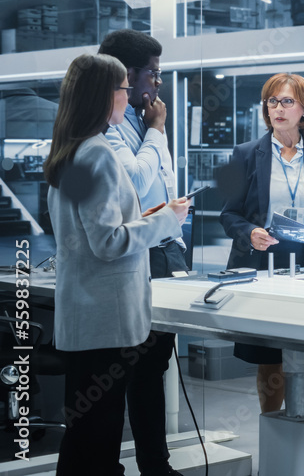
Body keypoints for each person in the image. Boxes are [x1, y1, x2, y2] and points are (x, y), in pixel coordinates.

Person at [44, 53, 190, 476]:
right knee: (98, 438)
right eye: (124, 88)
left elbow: (93, 233)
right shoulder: (98, 154)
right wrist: (165, 221)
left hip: (86, 318)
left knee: (85, 436)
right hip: (106, 319)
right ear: (105, 95)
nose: (130, 96)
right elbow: (108, 242)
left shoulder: (70, 150)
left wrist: (147, 219)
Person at [219, 73, 304, 413]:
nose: (277, 108)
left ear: (303, 110)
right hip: (264, 267)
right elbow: (229, 214)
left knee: (303, 351)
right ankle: (272, 425)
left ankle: (302, 427)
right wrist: (249, 232)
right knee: (269, 356)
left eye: (286, 101)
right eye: (272, 102)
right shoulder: (246, 154)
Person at [99, 28, 186, 476]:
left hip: (166, 249)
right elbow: (133, 179)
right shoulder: (105, 125)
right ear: (126, 75)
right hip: (135, 253)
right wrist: (156, 131)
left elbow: (161, 178)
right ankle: (112, 464)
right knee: (124, 371)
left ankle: (157, 465)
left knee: (155, 368)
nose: (158, 83)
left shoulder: (143, 117)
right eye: (154, 74)